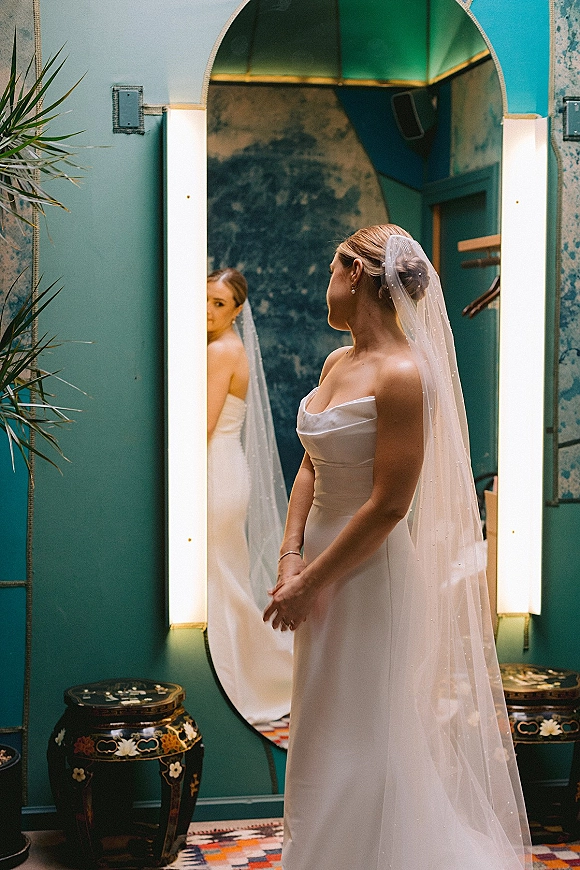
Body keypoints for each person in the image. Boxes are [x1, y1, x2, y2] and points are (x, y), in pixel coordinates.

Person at [263, 227, 531, 870]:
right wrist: (289, 554)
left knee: (364, 733)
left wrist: (311, 582)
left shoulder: (406, 374)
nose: (323, 282)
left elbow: (388, 504)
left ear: (356, 274)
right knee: (320, 732)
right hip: (316, 563)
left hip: (366, 575)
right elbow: (310, 466)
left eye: (331, 268)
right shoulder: (337, 363)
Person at [207, 268, 293, 727]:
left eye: (219, 304)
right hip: (222, 465)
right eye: (204, 299)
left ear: (237, 311)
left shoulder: (222, 351)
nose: (208, 310)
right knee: (222, 576)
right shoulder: (223, 347)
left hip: (215, 469)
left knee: (221, 576)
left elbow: (201, 425)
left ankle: (259, 675)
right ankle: (238, 671)